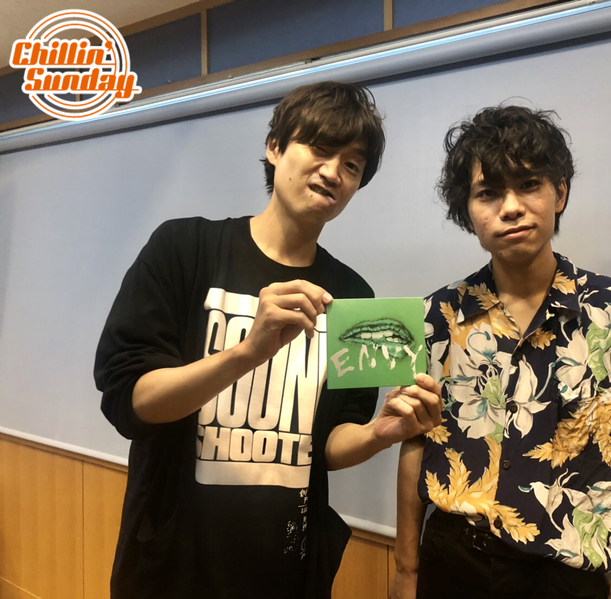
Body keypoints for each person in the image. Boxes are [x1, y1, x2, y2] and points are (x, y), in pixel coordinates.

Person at [94, 81, 442, 599]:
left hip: (286, 568)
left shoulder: (352, 296)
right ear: (274, 147)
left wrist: (379, 433)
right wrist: (245, 353)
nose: (333, 172)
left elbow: (326, 445)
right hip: (171, 566)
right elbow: (132, 402)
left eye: (352, 165)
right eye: (319, 148)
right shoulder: (184, 249)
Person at [391, 106, 611, 599]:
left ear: (559, 193)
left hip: (564, 577)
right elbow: (414, 443)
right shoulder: (436, 315)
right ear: (468, 211)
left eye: (528, 185)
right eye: (488, 193)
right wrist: (405, 568)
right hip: (453, 561)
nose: (510, 207)